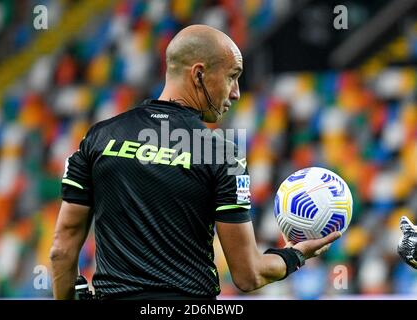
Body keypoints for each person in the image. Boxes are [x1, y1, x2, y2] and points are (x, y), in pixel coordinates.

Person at [49, 24, 341, 300]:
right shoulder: (220, 153)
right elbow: (248, 274)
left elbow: (62, 249)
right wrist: (295, 255)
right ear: (199, 74)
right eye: (232, 76)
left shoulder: (99, 138)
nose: (236, 92)